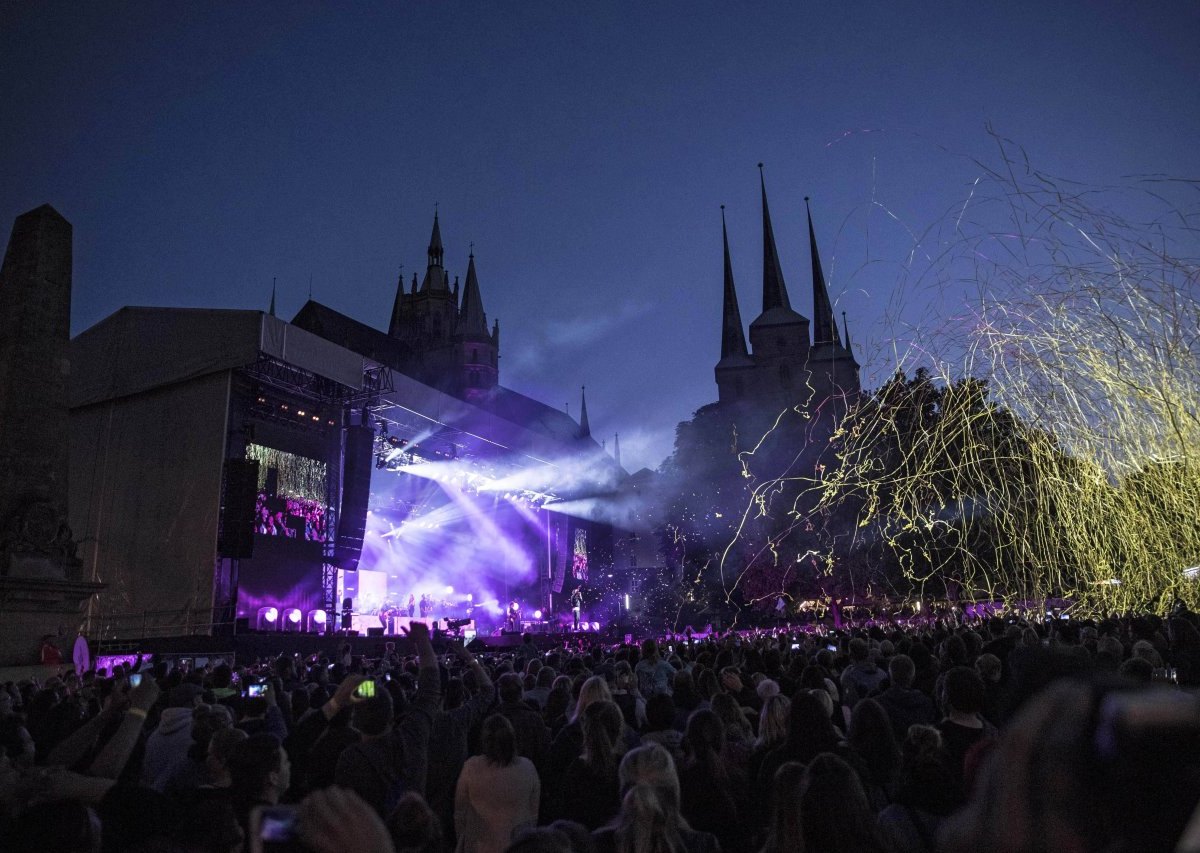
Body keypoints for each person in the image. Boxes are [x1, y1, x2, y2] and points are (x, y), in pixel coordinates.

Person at [454, 715, 540, 853]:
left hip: (478, 846)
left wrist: (464, 841)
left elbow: (460, 812)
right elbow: (533, 815)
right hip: (515, 845)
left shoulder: (471, 767)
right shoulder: (528, 768)